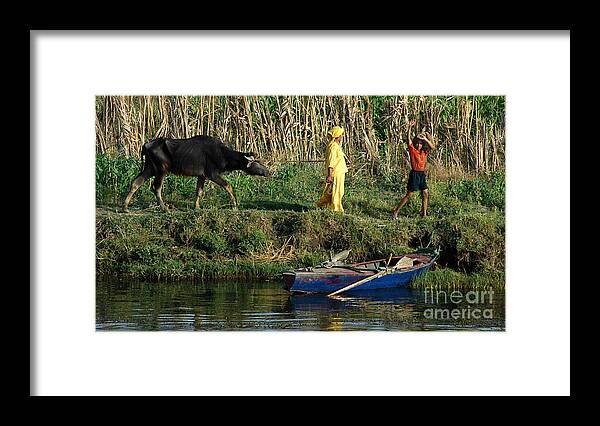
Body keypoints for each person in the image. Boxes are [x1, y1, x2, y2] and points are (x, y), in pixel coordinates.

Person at [391, 119, 435, 218]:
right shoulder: (413, 150)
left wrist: (425, 139)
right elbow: (409, 139)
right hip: (414, 174)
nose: (419, 145)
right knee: (409, 195)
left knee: (425, 193)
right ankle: (396, 211)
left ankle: (423, 214)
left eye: (420, 144)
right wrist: (410, 127)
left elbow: (432, 147)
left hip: (421, 174)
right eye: (418, 143)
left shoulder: (424, 151)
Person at [316, 126, 348, 212]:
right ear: (337, 136)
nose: (342, 137)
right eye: (341, 135)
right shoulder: (333, 147)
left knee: (332, 192)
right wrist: (330, 175)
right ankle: (336, 209)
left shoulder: (335, 146)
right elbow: (331, 162)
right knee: (337, 192)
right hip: (336, 173)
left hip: (339, 172)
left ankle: (323, 205)